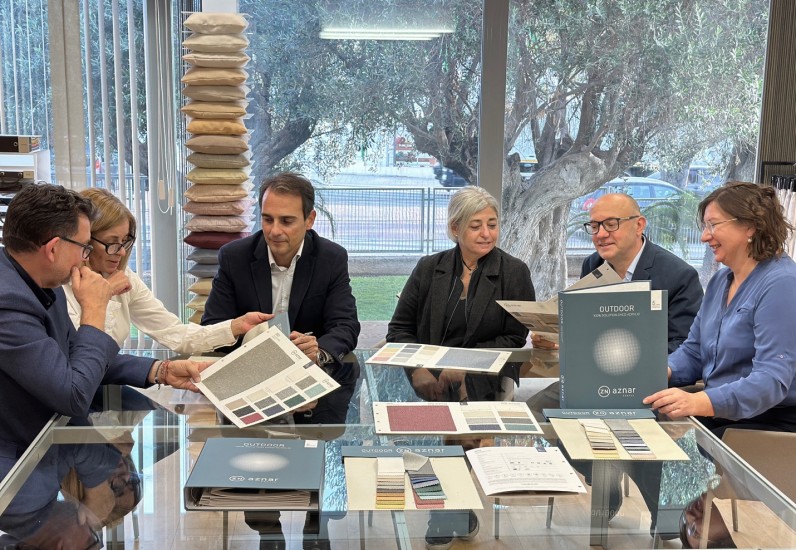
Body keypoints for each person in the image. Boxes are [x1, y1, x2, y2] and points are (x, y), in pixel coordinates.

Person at [0, 184, 207, 486]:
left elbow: (73, 355)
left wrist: (159, 369)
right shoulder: (9, 303)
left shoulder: (41, 282)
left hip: (50, 437)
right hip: (18, 461)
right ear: (53, 248)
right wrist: (94, 309)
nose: (85, 257)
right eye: (84, 247)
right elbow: (73, 395)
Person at [201, 172, 360, 550]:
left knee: (327, 431)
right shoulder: (235, 257)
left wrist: (318, 348)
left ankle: (315, 523)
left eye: (287, 220)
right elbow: (213, 327)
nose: (275, 230)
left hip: (315, 372)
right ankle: (267, 530)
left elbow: (346, 325)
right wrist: (249, 340)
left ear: (309, 220)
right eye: (267, 218)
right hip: (252, 372)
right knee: (254, 452)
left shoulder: (331, 258)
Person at [643, 182, 796, 547]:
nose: (704, 235)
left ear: (750, 227)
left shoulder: (782, 285)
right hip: (720, 412)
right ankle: (690, 530)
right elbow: (694, 351)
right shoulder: (720, 280)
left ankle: (705, 537)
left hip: (766, 420)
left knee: (667, 450)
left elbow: (772, 380)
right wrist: (660, 370)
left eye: (714, 225)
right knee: (644, 429)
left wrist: (700, 402)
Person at [386, 185, 535, 550]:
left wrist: (464, 367)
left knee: (459, 418)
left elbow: (515, 339)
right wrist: (419, 369)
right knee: (427, 416)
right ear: (455, 229)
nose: (486, 233)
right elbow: (399, 329)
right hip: (427, 372)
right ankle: (455, 500)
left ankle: (442, 505)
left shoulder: (514, 271)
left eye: (492, 224)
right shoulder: (428, 268)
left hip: (487, 373)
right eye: (476, 226)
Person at [62, 188, 270, 353]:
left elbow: (175, 333)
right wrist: (104, 294)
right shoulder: (59, 287)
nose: (121, 253)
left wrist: (236, 326)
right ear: (85, 241)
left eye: (125, 242)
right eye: (111, 242)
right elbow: (86, 355)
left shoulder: (126, 280)